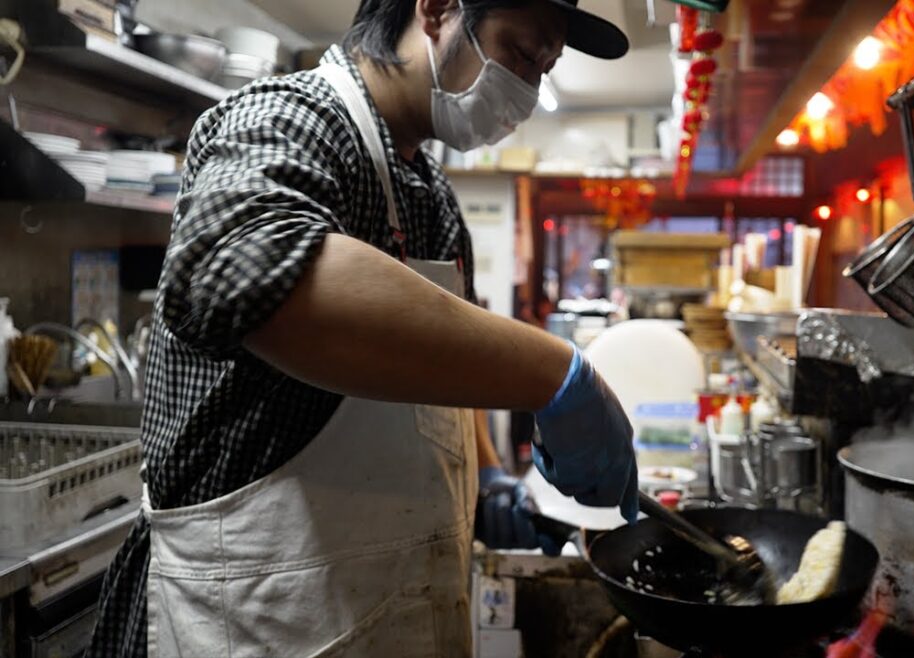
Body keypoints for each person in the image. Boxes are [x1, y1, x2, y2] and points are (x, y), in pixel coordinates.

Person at [86, 1, 636, 655]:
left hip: (382, 609)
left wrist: (490, 480)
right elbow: (263, 277)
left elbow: (440, 354)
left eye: (545, 70)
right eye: (521, 55)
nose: (528, 88)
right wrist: (556, 374)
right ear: (436, 10)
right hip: (255, 617)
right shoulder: (285, 117)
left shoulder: (428, 192)